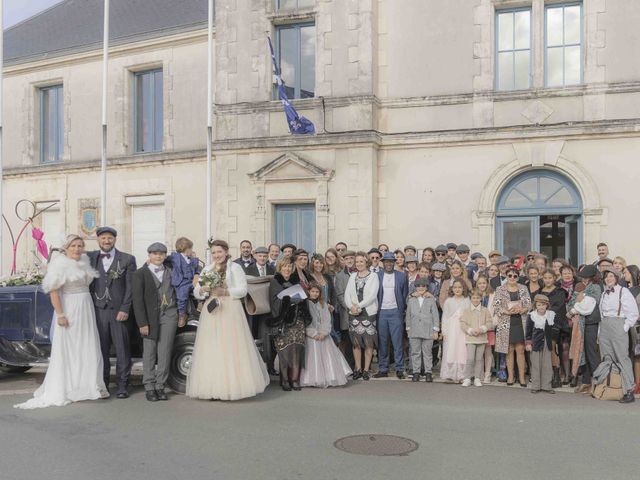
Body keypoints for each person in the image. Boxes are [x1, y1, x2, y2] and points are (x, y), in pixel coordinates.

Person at [15, 235, 108, 409]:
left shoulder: (85, 261)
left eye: (80, 245)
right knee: (70, 347)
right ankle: (69, 386)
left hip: (86, 307)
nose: (77, 249)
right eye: (73, 245)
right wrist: (60, 314)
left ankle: (87, 385)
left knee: (86, 345)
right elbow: (54, 292)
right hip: (70, 308)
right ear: (66, 248)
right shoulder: (59, 265)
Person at [187, 239, 269, 400]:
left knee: (230, 347)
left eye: (219, 252)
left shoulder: (235, 268)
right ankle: (211, 387)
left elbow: (243, 290)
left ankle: (232, 386)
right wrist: (202, 290)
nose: (217, 255)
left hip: (230, 310)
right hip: (212, 311)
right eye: (214, 253)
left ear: (226, 252)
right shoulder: (208, 269)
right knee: (211, 347)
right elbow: (197, 291)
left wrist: (225, 292)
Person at [88, 226, 137, 398]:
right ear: (98, 240)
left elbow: (131, 288)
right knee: (101, 350)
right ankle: (104, 384)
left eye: (110, 238)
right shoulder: (91, 257)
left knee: (122, 349)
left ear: (115, 239)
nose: (106, 241)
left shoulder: (128, 259)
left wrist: (125, 308)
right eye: (103, 238)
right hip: (98, 310)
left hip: (119, 312)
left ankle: (123, 385)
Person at [132, 242, 179, 402]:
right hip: (149, 318)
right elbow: (137, 301)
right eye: (154, 253)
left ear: (165, 256)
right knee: (149, 352)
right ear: (149, 255)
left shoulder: (171, 272)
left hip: (169, 315)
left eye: (161, 253)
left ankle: (160, 385)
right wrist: (142, 323)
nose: (158, 256)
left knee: (164, 351)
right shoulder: (140, 273)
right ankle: (149, 386)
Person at [269, 257, 310, 391]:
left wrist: (299, 300)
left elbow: (304, 299)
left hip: (297, 321)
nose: (287, 269)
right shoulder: (275, 282)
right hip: (283, 322)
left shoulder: (296, 281)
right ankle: (285, 379)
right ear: (280, 268)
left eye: (289, 267)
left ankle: (295, 379)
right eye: (284, 267)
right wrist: (289, 300)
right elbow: (274, 302)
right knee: (284, 351)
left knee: (297, 349)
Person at [598, 268, 639, 403]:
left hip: (618, 325)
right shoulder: (604, 293)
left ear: (616, 277)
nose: (608, 278)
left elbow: (633, 313)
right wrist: (600, 332)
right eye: (606, 277)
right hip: (605, 326)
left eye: (611, 276)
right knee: (607, 358)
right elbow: (601, 313)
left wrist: (624, 327)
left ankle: (629, 391)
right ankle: (611, 387)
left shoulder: (624, 291)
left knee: (622, 358)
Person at [300, 283, 352, 388]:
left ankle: (330, 376)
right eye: (313, 291)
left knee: (327, 357)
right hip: (311, 336)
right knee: (312, 358)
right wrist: (313, 333)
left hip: (323, 335)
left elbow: (327, 319)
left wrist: (324, 332)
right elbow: (304, 321)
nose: (315, 294)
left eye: (317, 292)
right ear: (309, 292)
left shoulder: (323, 304)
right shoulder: (305, 304)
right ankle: (313, 378)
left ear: (320, 293)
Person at [493, 265, 531, 387]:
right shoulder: (500, 289)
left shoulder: (523, 288)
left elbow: (529, 305)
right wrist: (506, 311)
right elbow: (496, 307)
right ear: (506, 276)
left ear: (518, 277)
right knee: (509, 350)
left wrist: (522, 309)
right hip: (506, 322)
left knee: (520, 349)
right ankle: (510, 376)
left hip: (520, 321)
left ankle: (522, 377)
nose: (512, 277)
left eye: (515, 276)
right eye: (510, 275)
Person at [344, 252, 380, 380]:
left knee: (368, 343)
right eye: (357, 261)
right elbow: (347, 294)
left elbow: (372, 296)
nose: (359, 264)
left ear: (366, 262)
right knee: (356, 343)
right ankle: (357, 369)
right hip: (354, 314)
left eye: (361, 261)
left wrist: (358, 306)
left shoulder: (373, 276)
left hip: (368, 313)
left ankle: (366, 369)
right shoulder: (352, 276)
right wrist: (351, 307)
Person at [567, 265, 602, 393]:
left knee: (591, 354)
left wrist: (573, 309)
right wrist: (576, 303)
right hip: (583, 324)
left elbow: (586, 308)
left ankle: (599, 383)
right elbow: (572, 302)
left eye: (587, 277)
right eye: (583, 277)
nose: (584, 280)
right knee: (584, 353)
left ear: (593, 277)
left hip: (591, 324)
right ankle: (587, 382)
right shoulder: (585, 287)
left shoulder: (595, 287)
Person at [375, 252, 408, 379]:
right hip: (382, 312)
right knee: (383, 342)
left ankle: (400, 368)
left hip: (396, 312)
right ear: (382, 263)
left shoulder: (401, 276)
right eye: (386, 261)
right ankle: (383, 368)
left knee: (397, 342)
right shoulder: (377, 276)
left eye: (391, 261)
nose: (388, 263)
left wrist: (401, 311)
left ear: (394, 262)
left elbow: (404, 294)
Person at [405, 277, 439, 382]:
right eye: (418, 286)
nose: (420, 288)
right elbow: (408, 315)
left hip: (428, 329)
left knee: (427, 352)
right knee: (415, 352)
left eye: (423, 286)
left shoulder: (430, 299)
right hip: (414, 329)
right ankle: (416, 372)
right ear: (415, 288)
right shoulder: (411, 299)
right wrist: (408, 328)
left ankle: (428, 372)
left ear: (427, 287)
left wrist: (435, 329)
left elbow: (435, 315)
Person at [540, 268, 570, 388]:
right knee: (544, 349)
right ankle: (548, 375)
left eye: (550, 278)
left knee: (551, 348)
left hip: (556, 324)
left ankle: (557, 375)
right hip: (540, 323)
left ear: (554, 278)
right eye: (545, 278)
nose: (547, 280)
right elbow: (535, 306)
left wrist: (543, 312)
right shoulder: (540, 291)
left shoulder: (560, 291)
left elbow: (558, 307)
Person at [460, 289, 492, 387]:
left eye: (478, 298)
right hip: (470, 338)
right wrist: (470, 330)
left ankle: (477, 378)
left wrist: (482, 329)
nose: (475, 300)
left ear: (481, 299)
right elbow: (463, 323)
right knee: (470, 359)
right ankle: (467, 378)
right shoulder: (466, 311)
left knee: (479, 359)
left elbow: (489, 323)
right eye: (473, 298)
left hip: (481, 338)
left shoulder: (485, 310)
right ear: (471, 299)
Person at [440, 279, 470, 383]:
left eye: (460, 287)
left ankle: (462, 375)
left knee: (462, 351)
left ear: (463, 289)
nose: (457, 289)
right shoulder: (449, 301)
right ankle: (450, 374)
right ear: (452, 289)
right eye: (455, 287)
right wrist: (444, 332)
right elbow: (445, 318)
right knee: (451, 350)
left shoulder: (467, 301)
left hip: (462, 330)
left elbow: (469, 317)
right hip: (451, 329)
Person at [525, 294, 556, 394]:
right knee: (535, 364)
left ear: (547, 305)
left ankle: (547, 385)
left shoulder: (551, 315)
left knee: (547, 364)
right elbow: (528, 331)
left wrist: (553, 340)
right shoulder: (532, 315)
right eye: (539, 305)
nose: (541, 307)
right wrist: (528, 343)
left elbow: (554, 329)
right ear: (535, 306)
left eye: (543, 305)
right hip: (535, 342)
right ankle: (536, 386)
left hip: (547, 341)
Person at [168, 237, 201, 326]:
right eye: (190, 248)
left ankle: (201, 304)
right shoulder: (175, 256)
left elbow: (197, 269)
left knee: (201, 287)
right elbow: (164, 260)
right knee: (182, 295)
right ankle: (182, 314)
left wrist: (196, 275)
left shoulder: (193, 259)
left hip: (191, 281)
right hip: (181, 282)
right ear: (185, 248)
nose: (191, 251)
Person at [334, 250, 356, 365]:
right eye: (347, 259)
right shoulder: (340, 276)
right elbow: (339, 294)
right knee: (348, 341)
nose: (349, 261)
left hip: (360, 312)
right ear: (343, 261)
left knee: (360, 340)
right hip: (347, 313)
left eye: (351, 258)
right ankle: (351, 366)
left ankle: (362, 367)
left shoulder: (360, 273)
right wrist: (349, 307)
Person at [475, 275, 496, 383]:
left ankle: (488, 373)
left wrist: (491, 324)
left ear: (487, 283)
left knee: (488, 351)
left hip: (489, 327)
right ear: (476, 284)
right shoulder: (474, 295)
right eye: (479, 283)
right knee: (479, 351)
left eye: (484, 283)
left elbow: (496, 312)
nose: (482, 285)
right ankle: (480, 373)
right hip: (477, 327)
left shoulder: (493, 295)